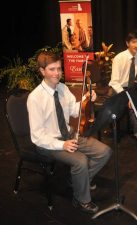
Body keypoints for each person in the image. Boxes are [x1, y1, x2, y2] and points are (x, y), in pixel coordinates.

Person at [27, 51, 112, 214]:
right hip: (49, 143)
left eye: (59, 69)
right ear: (42, 71)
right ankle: (81, 199)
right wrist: (62, 145)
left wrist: (86, 98)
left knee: (105, 152)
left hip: (69, 134)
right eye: (52, 69)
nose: (57, 73)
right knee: (81, 161)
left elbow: (74, 111)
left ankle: (78, 182)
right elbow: (37, 137)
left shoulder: (63, 88)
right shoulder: (35, 98)